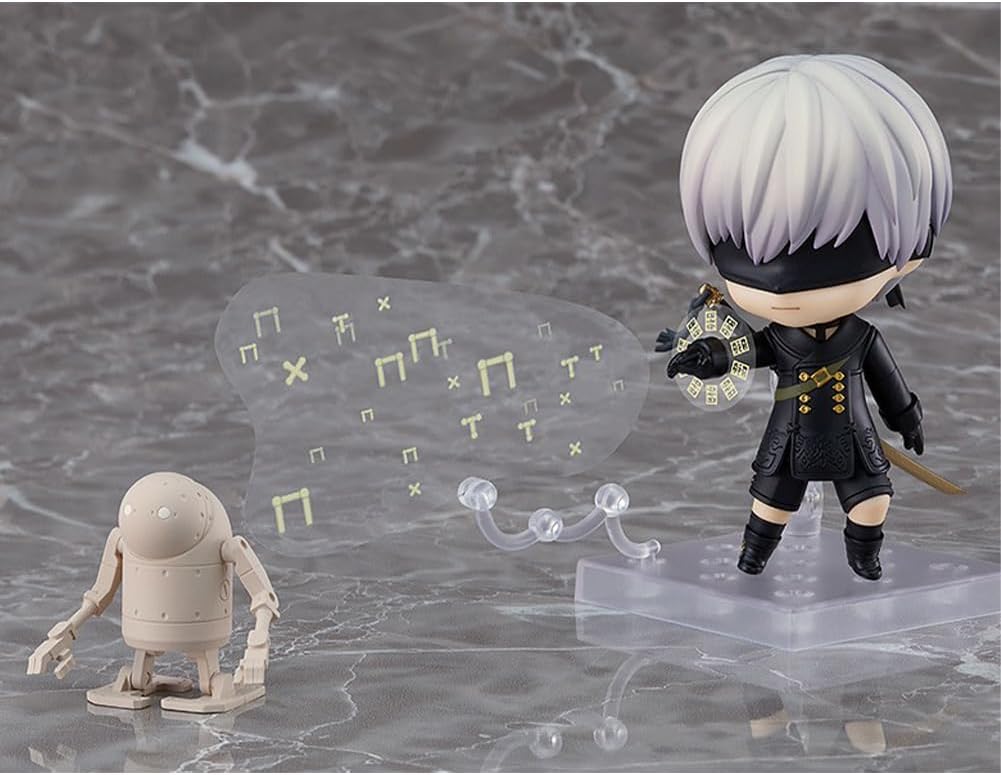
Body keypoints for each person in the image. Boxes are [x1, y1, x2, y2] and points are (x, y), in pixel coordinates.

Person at [663, 54, 952, 579]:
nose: (779, 287)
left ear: (909, 252)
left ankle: (863, 555)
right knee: (771, 502)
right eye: (743, 255)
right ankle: (754, 555)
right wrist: (702, 356)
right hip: (790, 437)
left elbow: (887, 384)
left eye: (826, 260)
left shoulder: (861, 337)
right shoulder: (782, 339)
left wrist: (907, 418)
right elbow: (743, 350)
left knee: (872, 501)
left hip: (853, 437)